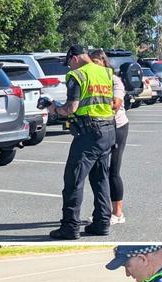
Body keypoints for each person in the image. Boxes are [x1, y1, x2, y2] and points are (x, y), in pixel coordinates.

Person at [48, 44, 116, 240]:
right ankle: (102, 223)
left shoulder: (77, 76)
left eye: (68, 63)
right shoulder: (106, 72)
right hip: (108, 130)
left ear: (74, 58)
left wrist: (55, 109)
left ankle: (70, 227)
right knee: (100, 179)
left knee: (73, 181)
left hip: (89, 134)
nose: (69, 68)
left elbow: (71, 107)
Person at [89, 49, 129, 225]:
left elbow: (115, 104)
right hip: (100, 128)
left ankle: (118, 213)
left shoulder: (114, 80)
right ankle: (102, 210)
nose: (94, 67)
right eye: (91, 63)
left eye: (96, 63)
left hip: (117, 127)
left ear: (104, 63)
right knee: (99, 171)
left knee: (113, 170)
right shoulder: (90, 79)